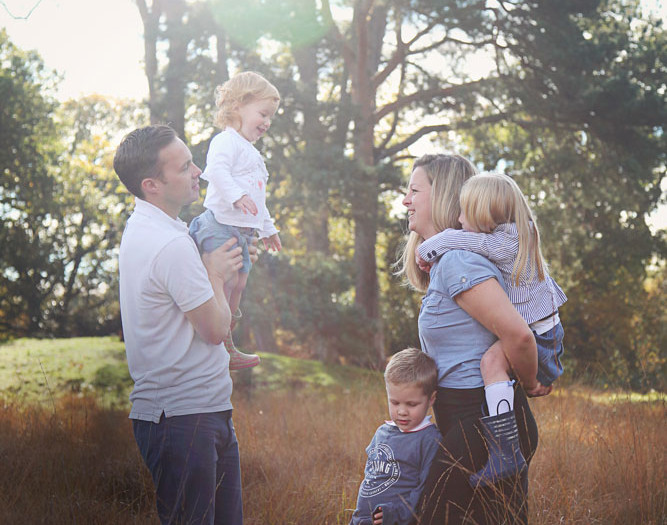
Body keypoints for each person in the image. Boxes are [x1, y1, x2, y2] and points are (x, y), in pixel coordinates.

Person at [114, 124, 254, 525]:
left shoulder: (149, 228)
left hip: (198, 412)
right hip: (183, 418)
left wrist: (223, 274)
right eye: (186, 166)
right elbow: (213, 331)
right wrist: (214, 274)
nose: (200, 172)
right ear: (151, 185)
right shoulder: (172, 245)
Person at [397, 154, 544, 524]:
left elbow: (519, 335)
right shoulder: (450, 261)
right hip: (469, 418)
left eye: (414, 190)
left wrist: (528, 382)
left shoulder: (458, 262)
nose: (405, 200)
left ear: (443, 196)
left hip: (482, 421)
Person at [415, 172, 566, 486]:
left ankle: (505, 450)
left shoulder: (505, 242)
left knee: (491, 362)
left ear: (484, 215)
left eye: (463, 212)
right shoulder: (516, 234)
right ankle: (505, 448)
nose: (457, 220)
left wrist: (529, 381)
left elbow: (461, 240)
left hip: (538, 337)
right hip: (545, 334)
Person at [189, 71, 282, 370]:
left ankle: (227, 343)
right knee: (226, 279)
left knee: (239, 283)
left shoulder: (253, 154)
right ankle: (211, 336)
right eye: (263, 113)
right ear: (239, 105)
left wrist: (268, 229)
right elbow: (215, 171)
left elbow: (259, 199)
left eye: (271, 117)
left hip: (244, 231)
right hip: (219, 224)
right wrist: (234, 195)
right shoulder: (225, 141)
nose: (267, 122)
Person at [350, 348, 442, 525]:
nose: (401, 411)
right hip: (361, 519)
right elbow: (370, 474)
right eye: (394, 402)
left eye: (411, 404)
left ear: (431, 399)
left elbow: (423, 490)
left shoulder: (429, 439)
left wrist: (395, 515)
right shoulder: (382, 432)